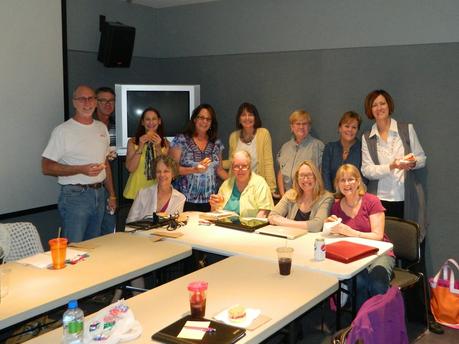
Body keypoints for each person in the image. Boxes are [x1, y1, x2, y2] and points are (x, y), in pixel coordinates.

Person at [42, 85, 116, 243]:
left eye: (90, 98)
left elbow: (105, 164)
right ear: (74, 103)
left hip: (100, 194)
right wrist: (80, 169)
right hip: (75, 196)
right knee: (74, 248)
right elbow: (46, 167)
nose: (87, 103)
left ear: (95, 102)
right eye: (82, 99)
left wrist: (112, 194)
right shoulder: (63, 131)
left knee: (94, 246)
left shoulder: (101, 128)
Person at [325, 164, 394, 309]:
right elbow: (336, 236)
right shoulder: (336, 206)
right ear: (337, 184)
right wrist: (330, 227)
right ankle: (360, 326)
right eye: (342, 180)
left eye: (350, 179)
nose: (347, 184)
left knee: (377, 285)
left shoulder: (372, 201)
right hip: (353, 254)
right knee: (359, 284)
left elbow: (378, 236)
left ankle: (379, 325)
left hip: (379, 252)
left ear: (358, 181)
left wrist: (351, 232)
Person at [361, 89, 427, 240]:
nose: (379, 108)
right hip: (379, 200)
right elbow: (367, 170)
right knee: (381, 243)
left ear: (389, 105)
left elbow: (422, 159)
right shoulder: (367, 137)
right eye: (375, 105)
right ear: (370, 110)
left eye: (382, 103)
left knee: (407, 242)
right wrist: (392, 166)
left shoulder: (406, 129)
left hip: (406, 196)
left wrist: (412, 163)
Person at [170, 104, 228, 212]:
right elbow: (172, 169)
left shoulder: (216, 143)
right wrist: (194, 169)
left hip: (211, 202)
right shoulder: (181, 140)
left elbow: (219, 170)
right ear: (194, 119)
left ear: (211, 123)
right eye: (201, 117)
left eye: (208, 119)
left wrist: (237, 181)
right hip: (184, 201)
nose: (204, 121)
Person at [225, 103, 276, 194]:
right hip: (238, 187)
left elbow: (268, 162)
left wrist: (271, 189)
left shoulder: (263, 134)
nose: (247, 118)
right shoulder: (233, 136)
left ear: (255, 118)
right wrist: (216, 163)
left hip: (257, 188)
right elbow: (231, 162)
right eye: (243, 115)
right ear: (239, 119)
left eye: (250, 115)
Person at [269, 160, 333, 231]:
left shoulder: (326, 197)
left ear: (316, 177)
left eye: (309, 175)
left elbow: (317, 225)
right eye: (301, 175)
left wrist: (284, 222)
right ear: (297, 178)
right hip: (290, 238)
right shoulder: (290, 194)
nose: (305, 179)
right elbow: (272, 216)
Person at [210, 150, 273, 218]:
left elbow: (264, 212)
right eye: (236, 166)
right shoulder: (226, 184)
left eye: (244, 166)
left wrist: (253, 225)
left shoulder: (260, 183)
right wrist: (214, 206)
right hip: (225, 226)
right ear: (232, 168)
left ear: (249, 166)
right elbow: (215, 212)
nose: (240, 169)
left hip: (250, 227)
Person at [123, 107, 169, 200]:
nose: (151, 122)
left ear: (159, 121)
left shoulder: (166, 143)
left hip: (156, 193)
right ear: (142, 122)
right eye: (147, 119)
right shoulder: (132, 142)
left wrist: (158, 147)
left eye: (154, 119)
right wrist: (140, 146)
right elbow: (131, 168)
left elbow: (165, 170)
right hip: (135, 193)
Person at [277, 110, 324, 196]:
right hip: (287, 196)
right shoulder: (285, 147)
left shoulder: (318, 146)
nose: (301, 127)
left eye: (305, 124)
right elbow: (281, 173)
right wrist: (283, 195)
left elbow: (321, 173)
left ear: (309, 127)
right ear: (291, 127)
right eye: (298, 124)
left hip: (309, 197)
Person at [126, 155, 185, 223]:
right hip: (140, 232)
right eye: (158, 171)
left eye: (166, 171)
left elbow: (175, 225)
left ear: (173, 174)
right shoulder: (142, 193)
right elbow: (130, 221)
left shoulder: (180, 198)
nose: (162, 175)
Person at [322, 111, 364, 192]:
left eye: (354, 127)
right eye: (347, 126)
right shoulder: (330, 148)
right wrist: (331, 197)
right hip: (333, 197)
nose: (350, 130)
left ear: (357, 130)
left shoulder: (363, 149)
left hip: (355, 197)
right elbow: (325, 175)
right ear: (340, 128)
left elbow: (363, 177)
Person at [94, 87, 117, 234]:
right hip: (94, 187)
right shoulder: (89, 125)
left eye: (111, 101)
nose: (108, 104)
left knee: (109, 232)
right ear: (96, 103)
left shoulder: (118, 125)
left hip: (113, 186)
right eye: (103, 101)